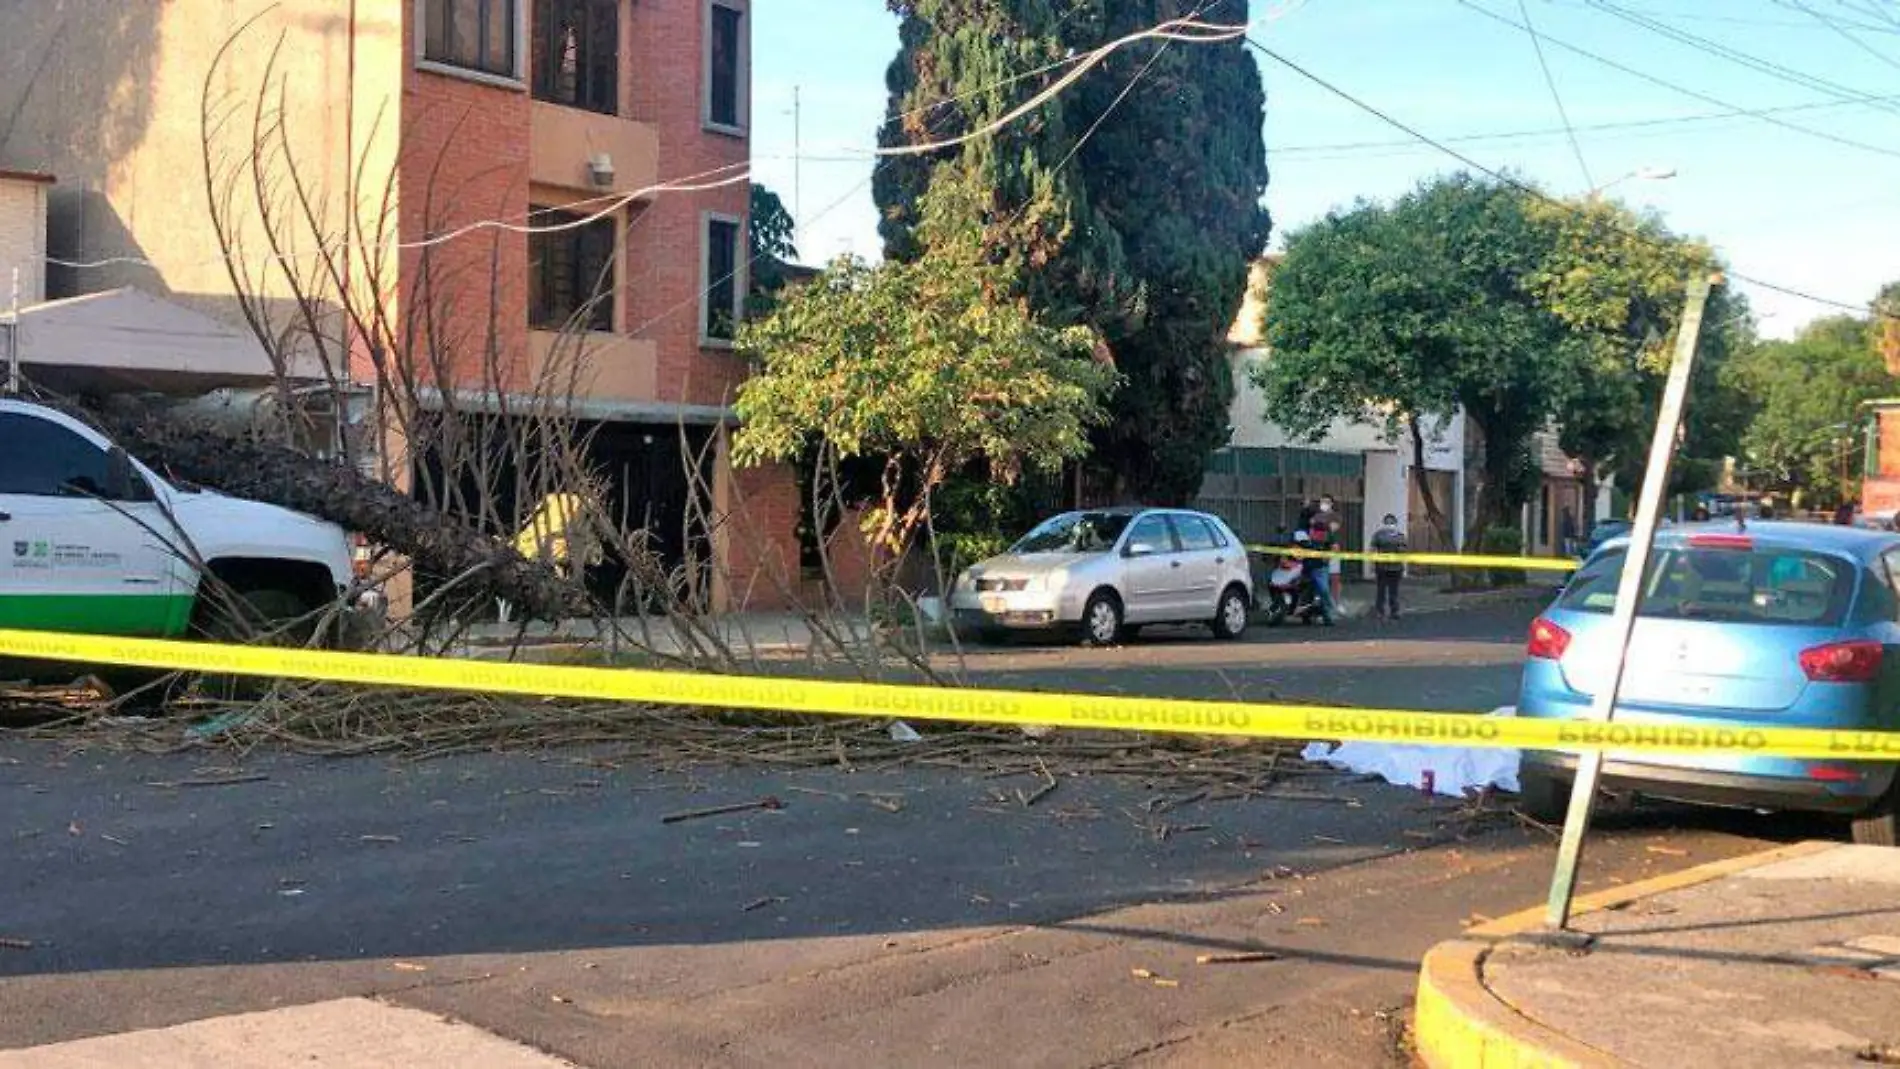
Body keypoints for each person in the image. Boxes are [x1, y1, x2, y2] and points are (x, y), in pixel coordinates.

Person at [1371, 513, 1407, 622]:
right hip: (1385, 568)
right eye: (1388, 523)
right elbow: (1373, 550)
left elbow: (1404, 551)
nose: (1389, 525)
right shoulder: (1380, 535)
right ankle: (1384, 611)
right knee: (1385, 591)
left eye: (1391, 523)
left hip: (1392, 568)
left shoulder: (1398, 536)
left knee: (1390, 591)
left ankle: (1390, 611)